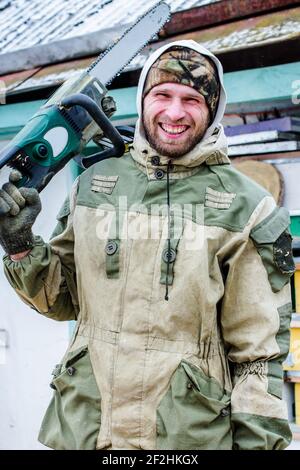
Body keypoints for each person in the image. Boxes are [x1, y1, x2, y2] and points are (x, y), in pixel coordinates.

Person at [0, 40, 295, 450]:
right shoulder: (94, 185)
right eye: (163, 95)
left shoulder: (246, 208)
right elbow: (62, 300)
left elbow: (258, 357)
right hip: (85, 430)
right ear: (142, 100)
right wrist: (19, 245)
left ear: (213, 111)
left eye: (192, 99)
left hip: (185, 439)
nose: (175, 113)